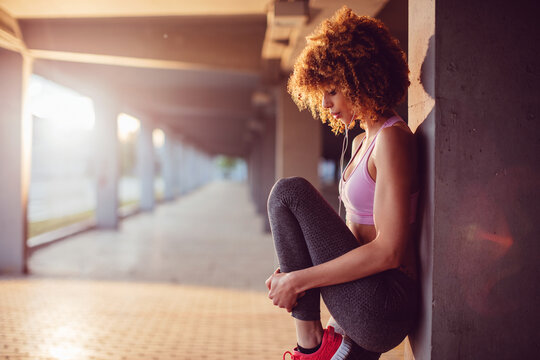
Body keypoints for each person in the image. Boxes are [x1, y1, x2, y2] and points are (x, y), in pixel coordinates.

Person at [265, 6, 419, 360]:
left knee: (288, 193)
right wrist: (296, 271)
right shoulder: (364, 141)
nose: (326, 105)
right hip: (363, 299)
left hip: (386, 303)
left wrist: (299, 280)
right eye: (321, 93)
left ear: (361, 80)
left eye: (333, 91)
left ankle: (311, 345)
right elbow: (347, 242)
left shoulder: (391, 140)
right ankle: (325, 347)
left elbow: (389, 250)